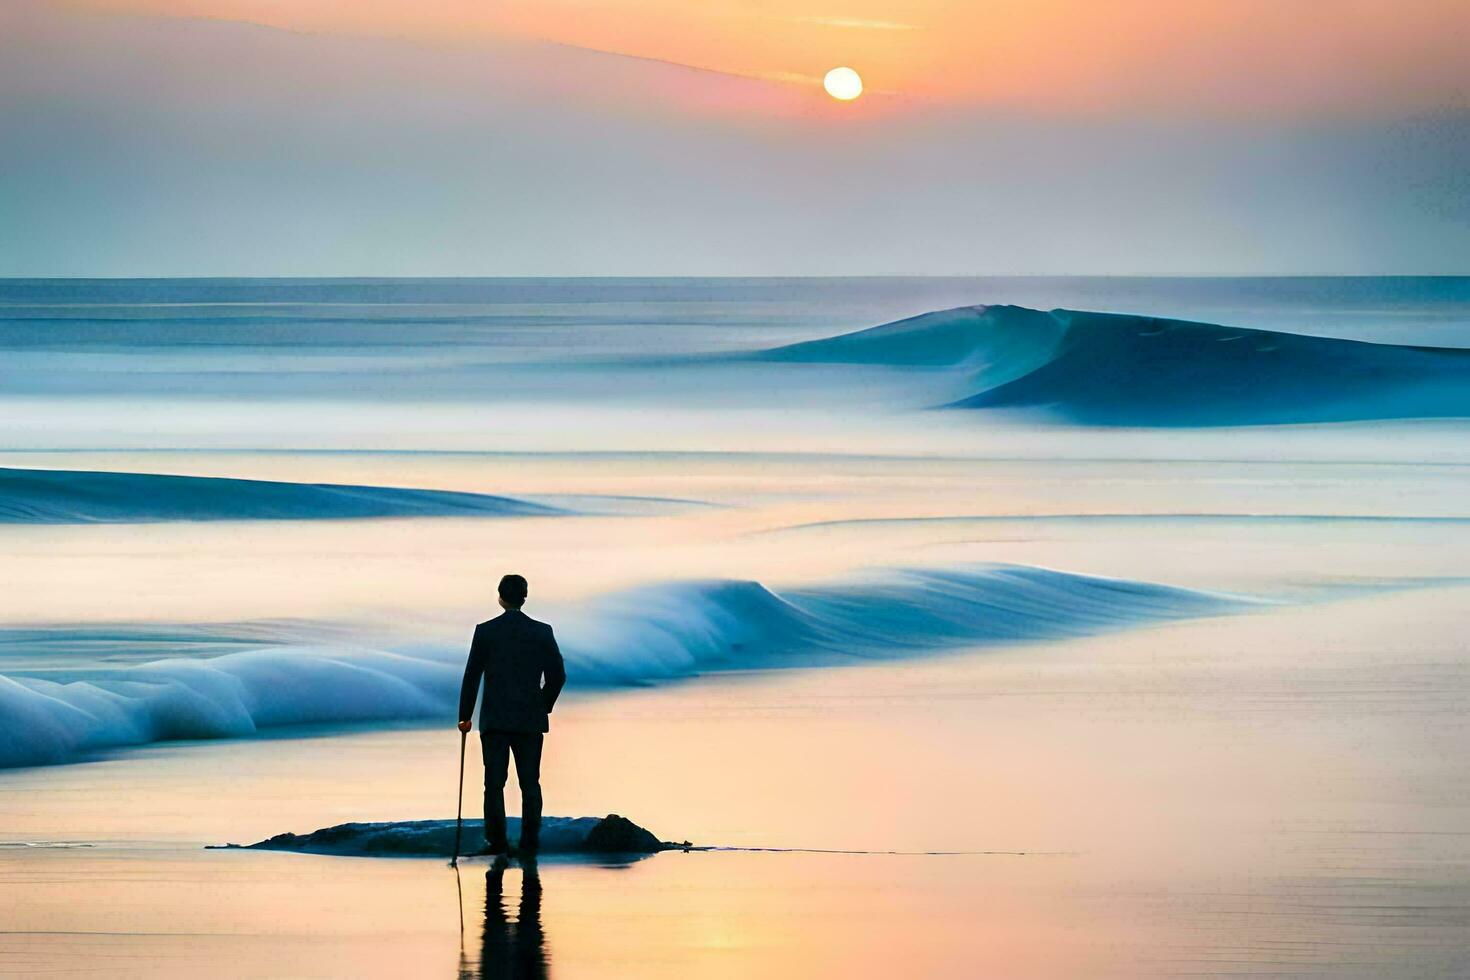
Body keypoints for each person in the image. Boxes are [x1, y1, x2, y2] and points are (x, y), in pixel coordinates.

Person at [458, 574, 566, 855]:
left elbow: (472, 676)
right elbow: (558, 675)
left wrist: (465, 716)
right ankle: (530, 842)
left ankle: (497, 842)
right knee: (530, 782)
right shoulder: (542, 631)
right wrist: (543, 704)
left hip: (495, 719)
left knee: (493, 783)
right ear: (525, 597)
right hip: (529, 719)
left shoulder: (485, 631)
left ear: (499, 597)